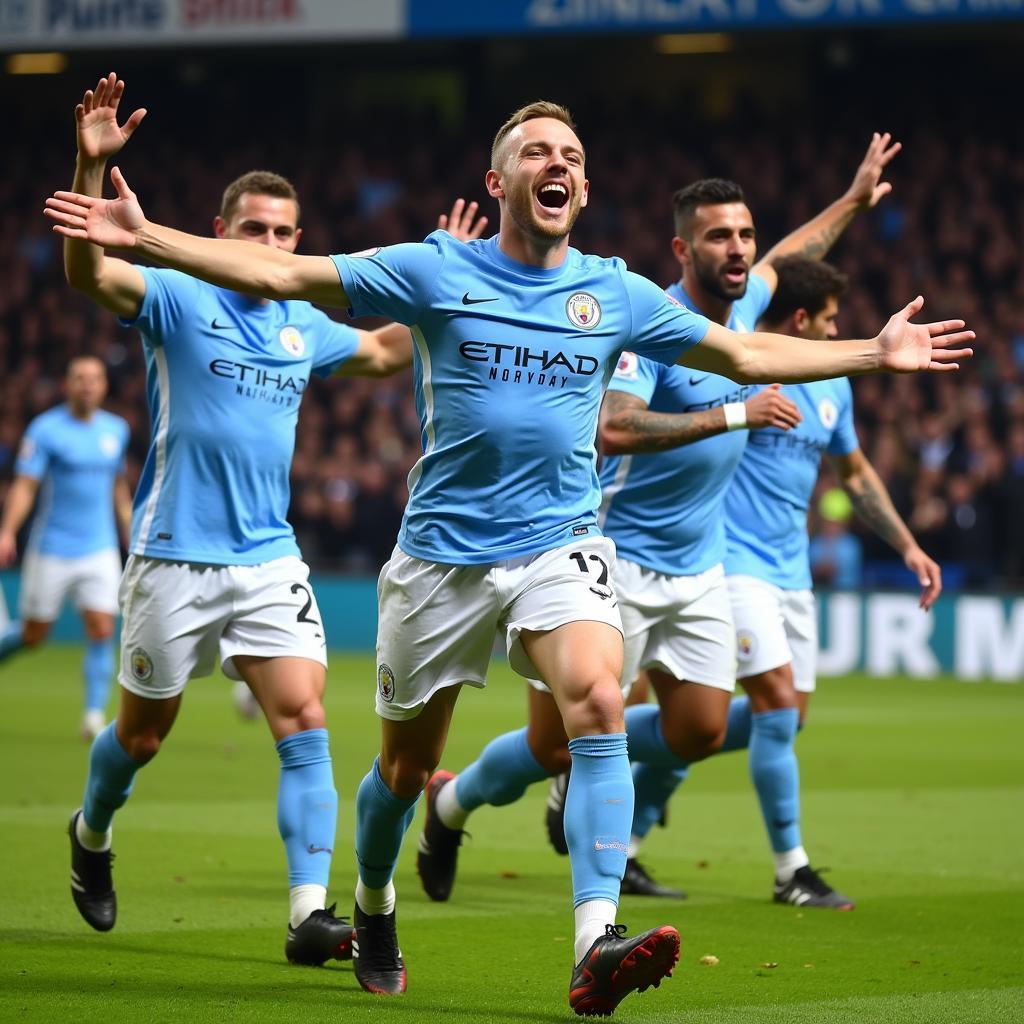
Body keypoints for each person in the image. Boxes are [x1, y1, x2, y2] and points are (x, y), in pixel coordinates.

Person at [45, 101, 972, 1015]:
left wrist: (873, 353)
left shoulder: (613, 291)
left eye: (569, 150)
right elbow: (286, 276)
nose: (554, 161)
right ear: (500, 182)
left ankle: (593, 942)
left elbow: (737, 350)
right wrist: (151, 237)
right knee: (402, 773)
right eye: (534, 151)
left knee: (600, 702)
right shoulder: (434, 268)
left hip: (560, 546)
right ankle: (371, 899)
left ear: (583, 183)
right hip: (440, 561)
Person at [415, 142, 901, 907]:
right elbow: (616, 427)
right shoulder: (652, 323)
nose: (739, 250)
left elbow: (790, 253)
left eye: (743, 235)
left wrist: (853, 198)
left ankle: (585, 761)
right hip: (618, 557)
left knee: (703, 729)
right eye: (719, 237)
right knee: (549, 745)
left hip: (701, 563)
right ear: (683, 249)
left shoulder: (744, 308)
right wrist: (732, 412)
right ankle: (450, 806)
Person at [48, 73, 443, 970]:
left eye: (281, 232)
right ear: (221, 233)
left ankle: (310, 912)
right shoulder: (179, 296)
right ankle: (92, 829)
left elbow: (385, 349)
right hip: (172, 556)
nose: (267, 242)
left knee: (306, 722)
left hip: (269, 561)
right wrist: (87, 162)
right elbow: (87, 270)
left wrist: (441, 285)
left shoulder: (303, 321)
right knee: (142, 736)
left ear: (297, 242)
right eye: (252, 229)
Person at [624, 256, 945, 909]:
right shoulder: (739, 365)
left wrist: (908, 544)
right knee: (773, 705)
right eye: (829, 321)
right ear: (801, 319)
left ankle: (608, 787)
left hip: (791, 572)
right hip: (732, 563)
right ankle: (790, 870)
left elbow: (852, 475)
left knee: (773, 720)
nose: (837, 332)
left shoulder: (833, 386)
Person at [0, 356, 131, 740]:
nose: (87, 385)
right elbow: (26, 486)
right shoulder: (46, 430)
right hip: (53, 547)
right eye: (79, 378)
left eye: (94, 379)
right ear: (67, 385)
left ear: (104, 386)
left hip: (100, 548)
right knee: (34, 635)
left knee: (103, 628)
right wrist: (7, 530)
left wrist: (128, 528)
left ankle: (93, 715)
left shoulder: (116, 430)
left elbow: (118, 484)